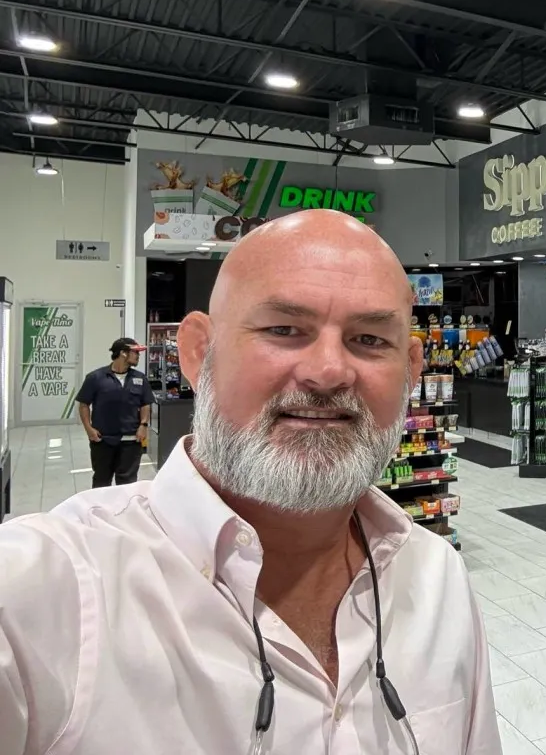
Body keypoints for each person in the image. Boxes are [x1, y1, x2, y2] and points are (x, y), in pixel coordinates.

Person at [0, 210, 501, 755]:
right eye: (284, 330)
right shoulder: (44, 597)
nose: (329, 370)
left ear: (410, 369)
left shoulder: (437, 579)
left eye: (369, 339)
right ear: (198, 353)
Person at [75, 336, 153, 487]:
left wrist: (143, 425)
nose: (138, 355)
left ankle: (124, 511)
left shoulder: (140, 378)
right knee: (101, 482)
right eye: (135, 352)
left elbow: (145, 404)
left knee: (127, 484)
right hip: (103, 440)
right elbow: (83, 404)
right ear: (123, 353)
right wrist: (89, 429)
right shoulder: (95, 378)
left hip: (131, 441)